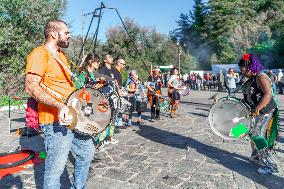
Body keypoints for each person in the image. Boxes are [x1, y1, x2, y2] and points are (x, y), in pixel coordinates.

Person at [25, 19, 95, 189]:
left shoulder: (61, 56)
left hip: (74, 116)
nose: (69, 35)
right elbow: (31, 86)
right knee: (55, 170)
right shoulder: (39, 54)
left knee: (87, 152)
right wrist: (59, 105)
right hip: (55, 119)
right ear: (54, 34)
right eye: (66, 32)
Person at [238, 53, 279, 174]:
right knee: (252, 132)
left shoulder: (261, 77)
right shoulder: (251, 79)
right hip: (256, 111)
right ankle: (256, 156)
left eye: (243, 70)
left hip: (265, 111)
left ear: (250, 68)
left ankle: (270, 165)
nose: (242, 72)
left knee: (257, 134)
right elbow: (249, 96)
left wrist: (258, 107)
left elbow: (268, 94)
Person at [113, 58, 126, 128]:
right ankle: (114, 125)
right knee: (115, 108)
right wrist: (118, 90)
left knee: (119, 107)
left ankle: (119, 123)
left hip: (119, 90)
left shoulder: (118, 71)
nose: (124, 65)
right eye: (123, 64)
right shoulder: (114, 70)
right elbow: (115, 81)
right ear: (118, 63)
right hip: (115, 91)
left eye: (124, 64)